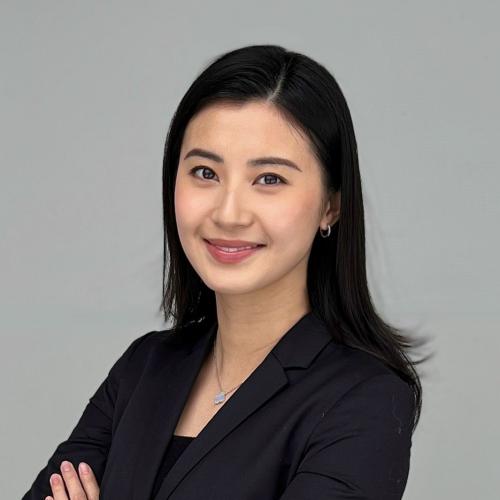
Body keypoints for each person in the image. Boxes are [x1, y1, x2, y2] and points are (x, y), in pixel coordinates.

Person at [22, 44, 427, 500]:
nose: (229, 213)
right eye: (205, 172)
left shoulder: (364, 397)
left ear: (330, 206)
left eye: (269, 179)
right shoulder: (144, 367)